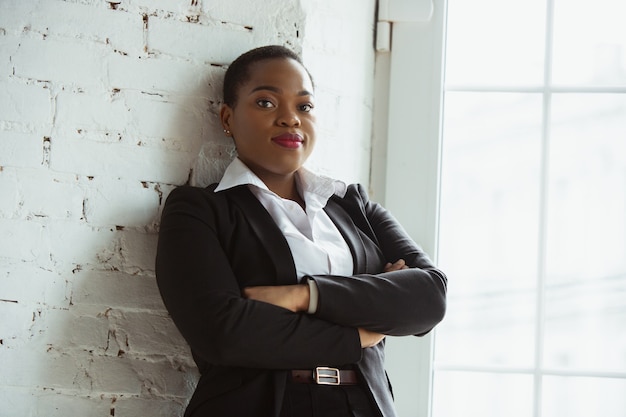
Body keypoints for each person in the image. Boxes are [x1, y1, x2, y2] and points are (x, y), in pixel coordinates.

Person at [155, 45, 447, 417]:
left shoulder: (353, 205)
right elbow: (224, 334)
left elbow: (430, 296)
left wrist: (304, 296)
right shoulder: (199, 211)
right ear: (227, 117)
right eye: (266, 103)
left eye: (304, 106)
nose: (290, 119)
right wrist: (359, 334)